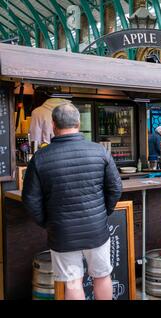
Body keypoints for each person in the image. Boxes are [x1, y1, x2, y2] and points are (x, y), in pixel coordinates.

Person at [22, 101, 122, 300]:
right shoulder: (100, 151)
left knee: (73, 282)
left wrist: (47, 222)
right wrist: (103, 213)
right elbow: (116, 188)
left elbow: (30, 199)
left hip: (61, 231)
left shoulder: (40, 158)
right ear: (78, 123)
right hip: (96, 228)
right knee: (102, 276)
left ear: (53, 125)